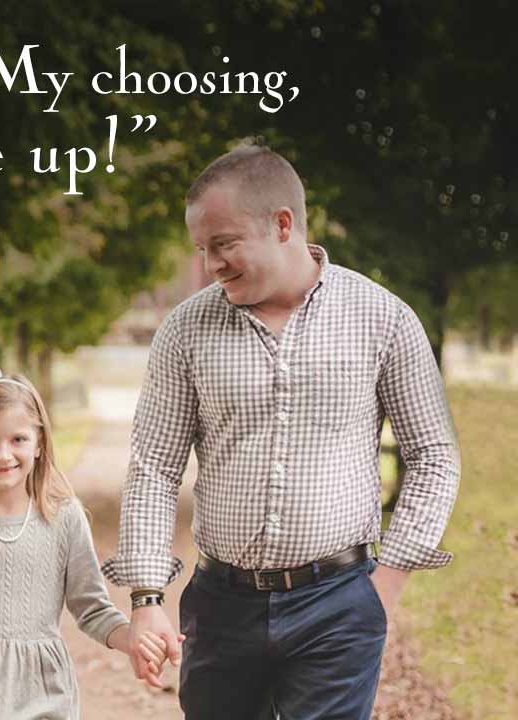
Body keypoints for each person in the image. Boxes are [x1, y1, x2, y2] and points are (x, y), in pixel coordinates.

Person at [102, 145, 461, 719]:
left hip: (339, 602)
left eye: (223, 244)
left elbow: (433, 456)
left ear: (283, 224)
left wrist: (385, 584)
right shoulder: (184, 331)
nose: (212, 263)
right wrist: (146, 600)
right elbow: (154, 468)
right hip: (220, 607)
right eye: (202, 248)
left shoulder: (383, 318)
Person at [0, 365, 157, 720]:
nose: (3, 455)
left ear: (39, 442)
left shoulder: (64, 517)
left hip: (44, 687)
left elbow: (92, 608)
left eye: (18, 439)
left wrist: (131, 638)